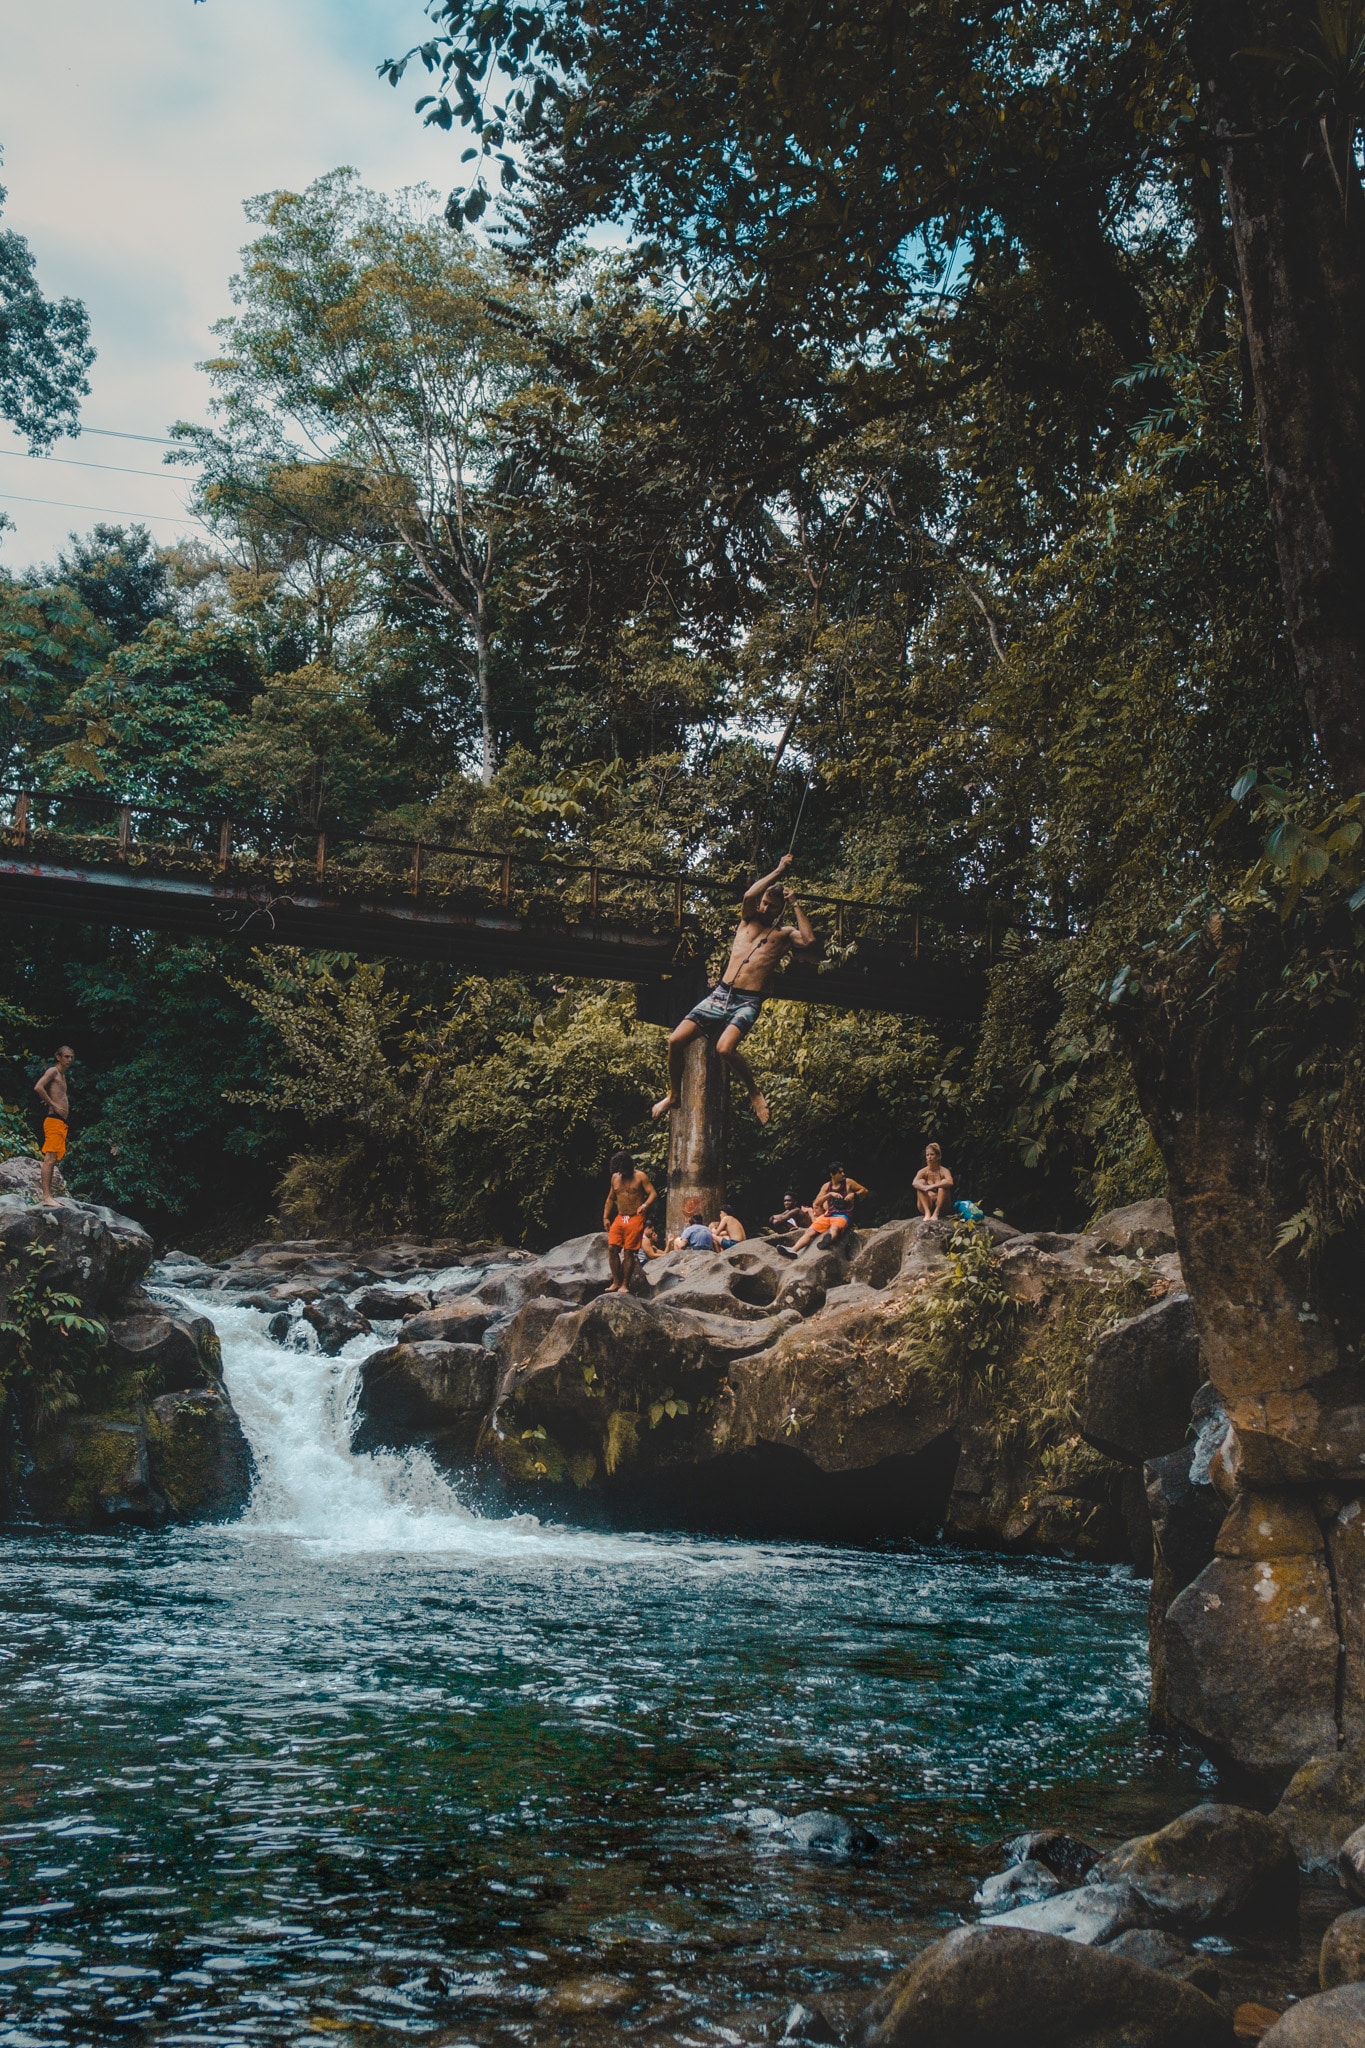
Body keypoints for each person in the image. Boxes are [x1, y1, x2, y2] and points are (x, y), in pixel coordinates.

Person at [651, 853, 818, 1127]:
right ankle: (673, 1095)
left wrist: (795, 903)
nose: (766, 909)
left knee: (724, 1049)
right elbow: (749, 895)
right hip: (720, 994)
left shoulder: (785, 935)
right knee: (674, 1041)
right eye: (765, 903)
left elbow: (809, 940)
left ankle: (754, 1091)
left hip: (747, 1002)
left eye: (773, 907)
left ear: (780, 910)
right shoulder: (747, 919)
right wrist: (778, 870)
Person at [780, 1162, 869, 1256]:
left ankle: (828, 1239)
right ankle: (793, 1250)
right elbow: (816, 1203)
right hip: (828, 1215)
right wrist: (829, 1195)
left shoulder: (848, 1182)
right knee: (810, 1231)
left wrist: (853, 1194)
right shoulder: (827, 1186)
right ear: (832, 1174)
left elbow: (864, 1190)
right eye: (840, 1172)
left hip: (843, 1215)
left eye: (843, 1172)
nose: (843, 1174)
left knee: (835, 1228)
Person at [602, 1150, 658, 1293]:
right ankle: (616, 1281)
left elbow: (652, 1193)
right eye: (618, 1169)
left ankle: (624, 1284)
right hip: (621, 1217)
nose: (621, 1172)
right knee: (612, 1249)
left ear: (629, 1165)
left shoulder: (640, 1176)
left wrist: (645, 1205)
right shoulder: (615, 1178)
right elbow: (610, 1198)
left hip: (635, 1217)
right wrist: (606, 1217)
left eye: (623, 1168)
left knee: (628, 1252)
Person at [34, 1045, 74, 1207]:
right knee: (49, 1159)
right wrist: (53, 1105)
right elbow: (38, 1087)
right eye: (66, 1056)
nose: (69, 1060)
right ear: (58, 1057)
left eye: (71, 1057)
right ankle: (46, 1197)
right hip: (53, 1119)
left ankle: (48, 1196)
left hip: (60, 1123)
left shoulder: (62, 1076)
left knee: (53, 1159)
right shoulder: (53, 1071)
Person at [914, 1143, 954, 1217]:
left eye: (932, 1154)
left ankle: (936, 1212)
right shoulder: (923, 1171)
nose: (929, 1157)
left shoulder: (944, 1171)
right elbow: (914, 1183)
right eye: (927, 1155)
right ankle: (927, 1212)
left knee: (944, 1182)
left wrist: (932, 1186)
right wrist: (924, 1187)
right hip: (927, 1204)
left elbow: (950, 1182)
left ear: (938, 1156)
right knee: (920, 1182)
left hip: (942, 1207)